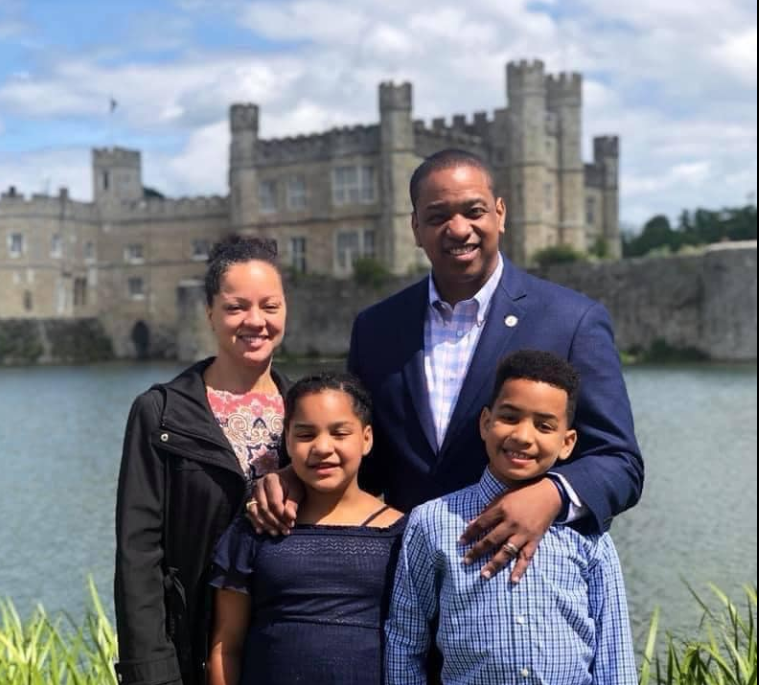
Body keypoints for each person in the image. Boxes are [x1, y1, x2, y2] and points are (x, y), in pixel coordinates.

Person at [252, 148, 643, 584]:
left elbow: (619, 461)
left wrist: (550, 495)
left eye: (473, 211)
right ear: (415, 228)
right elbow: (368, 459)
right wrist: (296, 478)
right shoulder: (376, 328)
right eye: (438, 216)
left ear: (500, 213)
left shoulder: (571, 321)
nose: (458, 229)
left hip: (521, 583)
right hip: (406, 584)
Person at [385, 349, 637, 684]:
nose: (522, 436)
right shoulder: (432, 522)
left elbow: (614, 653)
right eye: (509, 417)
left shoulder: (588, 530)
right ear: (485, 423)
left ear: (567, 442)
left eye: (544, 426)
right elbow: (405, 641)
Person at [114, 235, 291, 685]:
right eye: (236, 307)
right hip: (193, 649)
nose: (256, 321)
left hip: (289, 651)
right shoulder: (159, 413)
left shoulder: (311, 416)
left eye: (270, 306)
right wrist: (151, 673)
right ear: (209, 312)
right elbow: (138, 557)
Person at [208, 372, 405, 685]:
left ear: (366, 438)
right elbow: (226, 647)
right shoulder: (258, 526)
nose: (323, 447)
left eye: (340, 433)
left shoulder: (403, 534)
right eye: (305, 434)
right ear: (287, 439)